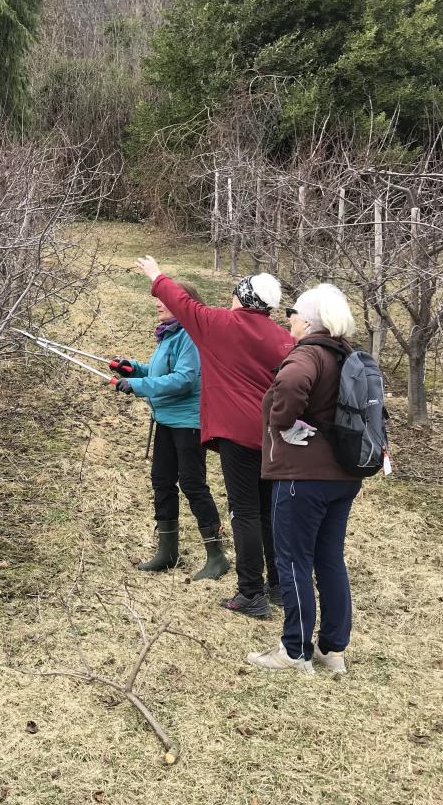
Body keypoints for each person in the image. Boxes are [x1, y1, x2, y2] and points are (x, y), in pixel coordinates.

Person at [136, 256, 293, 618]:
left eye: (236, 294)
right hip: (274, 436)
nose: (231, 299)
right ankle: (278, 586)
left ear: (244, 297)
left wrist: (157, 275)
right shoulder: (284, 338)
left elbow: (184, 304)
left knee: (245, 512)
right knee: (269, 511)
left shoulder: (222, 324)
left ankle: (250, 592)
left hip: (239, 435)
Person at [247, 284, 363, 674]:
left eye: (293, 312)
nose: (289, 318)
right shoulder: (347, 354)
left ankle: (294, 649)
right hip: (343, 475)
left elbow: (293, 385)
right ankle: (332, 649)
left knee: (294, 558)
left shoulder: (308, 353)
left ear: (309, 319)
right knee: (329, 559)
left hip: (304, 476)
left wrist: (282, 420)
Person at [111, 281, 228, 580]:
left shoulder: (190, 335)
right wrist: (133, 369)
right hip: (164, 419)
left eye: (163, 300)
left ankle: (217, 556)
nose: (158, 304)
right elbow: (160, 371)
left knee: (192, 484)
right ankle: (167, 552)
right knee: (162, 482)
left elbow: (184, 379)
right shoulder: (169, 333)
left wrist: (137, 386)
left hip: (187, 423)